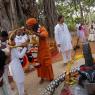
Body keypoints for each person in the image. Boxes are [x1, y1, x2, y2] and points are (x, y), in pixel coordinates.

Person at [26, 18, 54, 83]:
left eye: (29, 25)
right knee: (39, 64)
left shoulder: (41, 28)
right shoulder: (31, 31)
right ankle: (42, 77)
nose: (29, 27)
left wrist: (35, 34)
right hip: (36, 52)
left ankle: (50, 77)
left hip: (44, 50)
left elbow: (44, 35)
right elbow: (30, 40)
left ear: (33, 25)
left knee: (47, 64)